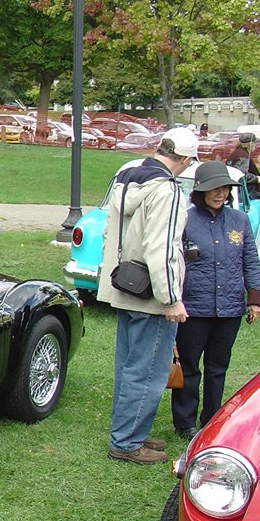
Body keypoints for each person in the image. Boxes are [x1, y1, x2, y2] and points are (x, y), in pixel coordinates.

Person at [98, 127, 198, 464]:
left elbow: (110, 232)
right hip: (151, 293)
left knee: (129, 365)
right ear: (183, 159)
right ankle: (126, 442)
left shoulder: (127, 175)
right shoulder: (167, 188)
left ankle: (128, 432)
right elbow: (162, 246)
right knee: (149, 369)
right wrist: (171, 298)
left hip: (124, 284)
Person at [171, 160, 260, 439]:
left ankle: (211, 419)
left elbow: (251, 261)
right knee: (188, 366)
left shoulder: (239, 220)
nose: (220, 193)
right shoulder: (184, 219)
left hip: (230, 309)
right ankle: (185, 423)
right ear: (200, 191)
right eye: (214, 189)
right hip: (193, 309)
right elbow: (174, 263)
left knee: (217, 368)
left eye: (224, 188)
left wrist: (254, 300)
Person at [226, 132, 259, 200]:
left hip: (234, 190)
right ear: (251, 144)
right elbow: (242, 176)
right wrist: (257, 179)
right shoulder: (244, 156)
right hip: (243, 194)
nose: (255, 145)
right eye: (255, 143)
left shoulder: (236, 152)